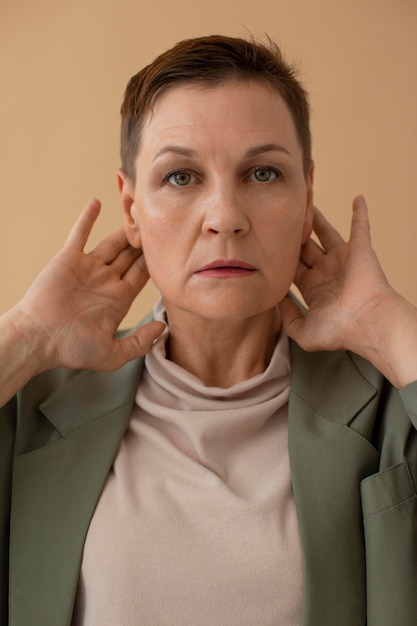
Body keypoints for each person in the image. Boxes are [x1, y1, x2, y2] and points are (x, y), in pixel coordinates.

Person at [1, 35, 417, 626]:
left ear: (307, 199)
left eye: (263, 172)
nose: (225, 217)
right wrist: (24, 340)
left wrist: (387, 324)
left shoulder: (391, 411)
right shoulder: (32, 408)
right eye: (179, 178)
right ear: (131, 209)